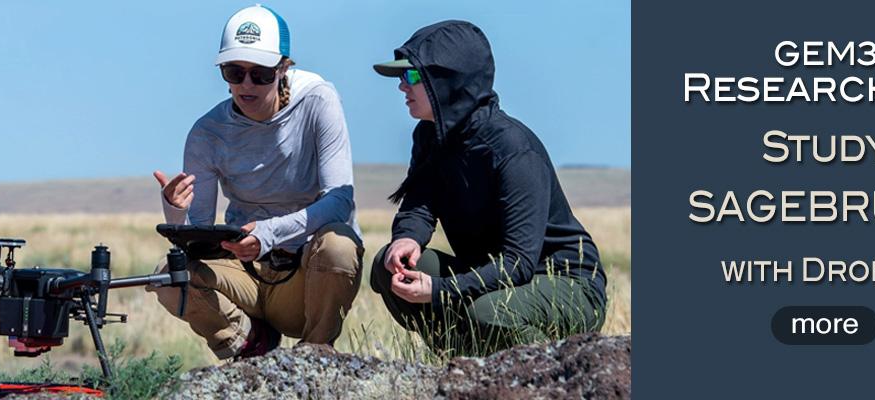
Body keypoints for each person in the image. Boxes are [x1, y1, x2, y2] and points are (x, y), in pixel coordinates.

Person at [369, 20, 607, 356]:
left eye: (411, 76)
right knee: (386, 266)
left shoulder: (513, 149)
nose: (402, 87)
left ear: (446, 81)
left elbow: (519, 264)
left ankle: (547, 373)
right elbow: (418, 202)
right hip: (492, 279)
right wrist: (407, 236)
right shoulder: (429, 134)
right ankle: (463, 364)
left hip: (564, 284)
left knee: (490, 312)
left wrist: (439, 290)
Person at [147, 4, 363, 360]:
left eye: (260, 73)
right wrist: (174, 214)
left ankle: (316, 358)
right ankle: (247, 348)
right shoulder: (206, 133)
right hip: (242, 273)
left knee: (339, 245)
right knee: (167, 276)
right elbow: (198, 237)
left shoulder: (319, 100)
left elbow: (340, 201)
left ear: (283, 68)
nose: (246, 84)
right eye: (234, 71)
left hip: (305, 276)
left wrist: (268, 233)